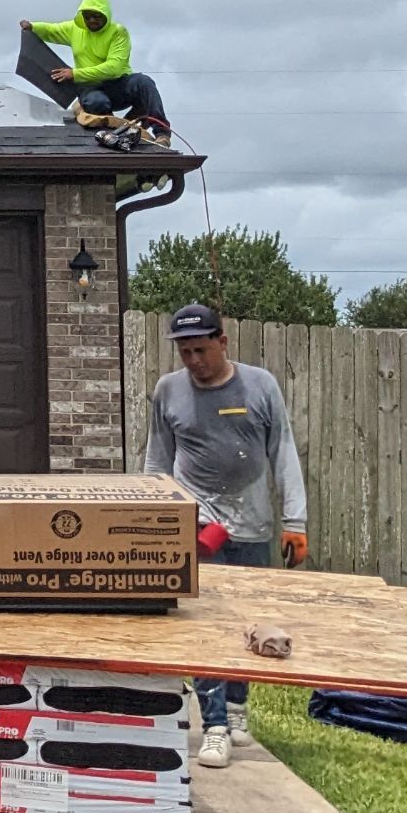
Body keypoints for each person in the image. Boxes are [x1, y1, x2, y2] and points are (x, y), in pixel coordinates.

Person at [143, 301, 308, 768]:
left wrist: (295, 523)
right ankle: (213, 724)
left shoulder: (260, 386)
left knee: (250, 620)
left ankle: (237, 709)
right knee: (205, 627)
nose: (193, 360)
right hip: (198, 527)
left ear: (222, 341)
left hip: (252, 524)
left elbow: (284, 452)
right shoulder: (168, 391)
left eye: (201, 350)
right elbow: (157, 462)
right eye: (184, 352)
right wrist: (156, 523)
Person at [22, 0, 170, 134]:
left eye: (97, 16)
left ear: (106, 15)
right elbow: (51, 30)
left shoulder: (118, 32)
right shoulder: (75, 29)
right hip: (90, 88)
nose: (92, 20)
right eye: (87, 16)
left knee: (144, 83)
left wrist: (75, 74)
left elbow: (114, 68)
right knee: (97, 102)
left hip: (117, 86)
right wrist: (33, 27)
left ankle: (162, 132)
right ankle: (113, 132)